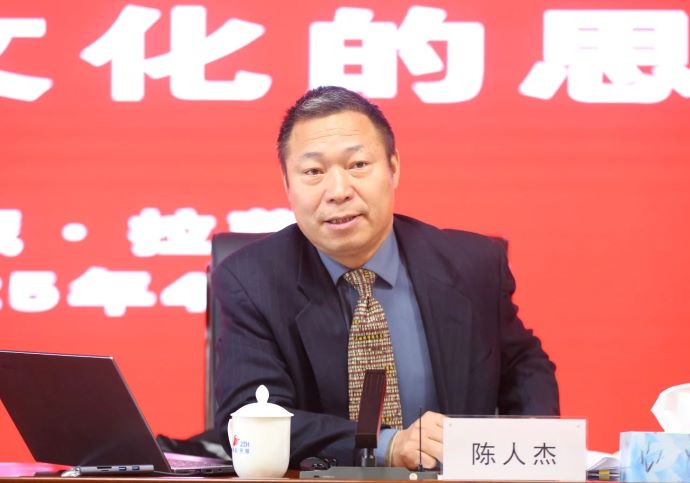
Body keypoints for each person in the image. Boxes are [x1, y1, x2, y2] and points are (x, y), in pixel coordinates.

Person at [212, 86, 559, 470]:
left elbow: (525, 366)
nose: (339, 191)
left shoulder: (472, 265)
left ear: (394, 168)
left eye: (358, 165)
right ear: (287, 185)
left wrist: (528, 447)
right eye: (313, 172)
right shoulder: (252, 281)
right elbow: (249, 416)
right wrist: (387, 445)